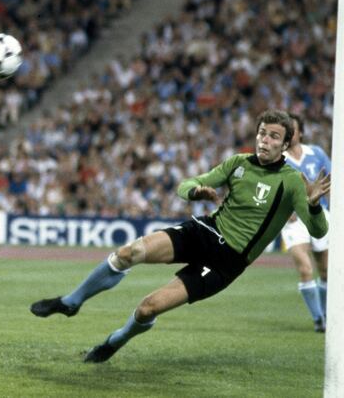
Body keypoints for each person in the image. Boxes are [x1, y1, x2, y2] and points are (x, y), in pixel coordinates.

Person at [30, 109, 330, 363]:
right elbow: (188, 183)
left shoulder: (292, 181)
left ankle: (115, 341)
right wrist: (195, 191)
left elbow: (319, 230)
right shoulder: (238, 163)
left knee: (148, 307)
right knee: (127, 253)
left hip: (227, 261)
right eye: (262, 133)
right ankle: (71, 302)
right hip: (204, 230)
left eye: (273, 136)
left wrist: (314, 205)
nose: (265, 140)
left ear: (286, 143)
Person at [280, 113, 331, 332]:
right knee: (305, 268)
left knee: (326, 269)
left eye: (293, 129)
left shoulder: (316, 153)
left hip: (320, 214)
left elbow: (332, 179)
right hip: (293, 220)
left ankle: (327, 314)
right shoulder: (278, 158)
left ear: (300, 132)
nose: (290, 134)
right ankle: (319, 319)